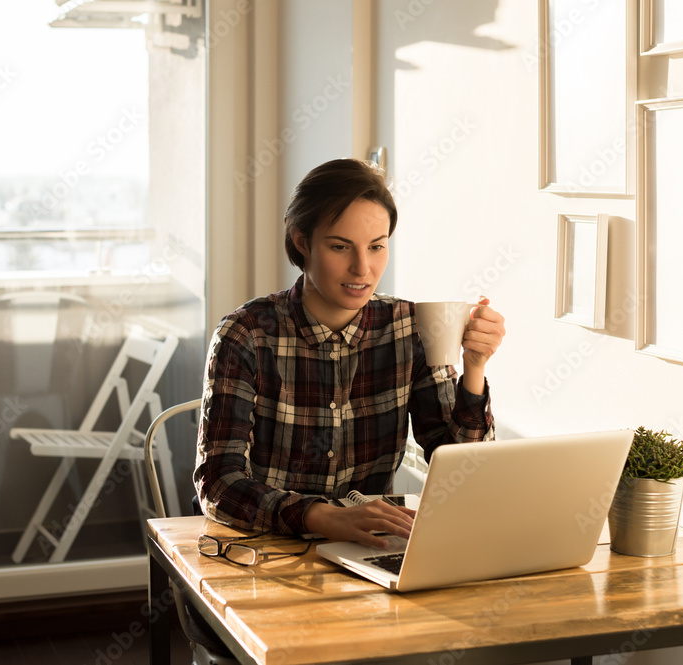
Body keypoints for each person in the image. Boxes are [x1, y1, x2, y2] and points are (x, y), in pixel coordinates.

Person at [194, 158, 506, 548]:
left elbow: (465, 473)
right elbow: (219, 482)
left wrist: (474, 369)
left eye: (377, 247)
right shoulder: (247, 335)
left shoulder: (410, 327)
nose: (363, 268)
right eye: (341, 247)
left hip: (369, 546)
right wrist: (319, 516)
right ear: (301, 241)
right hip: (266, 547)